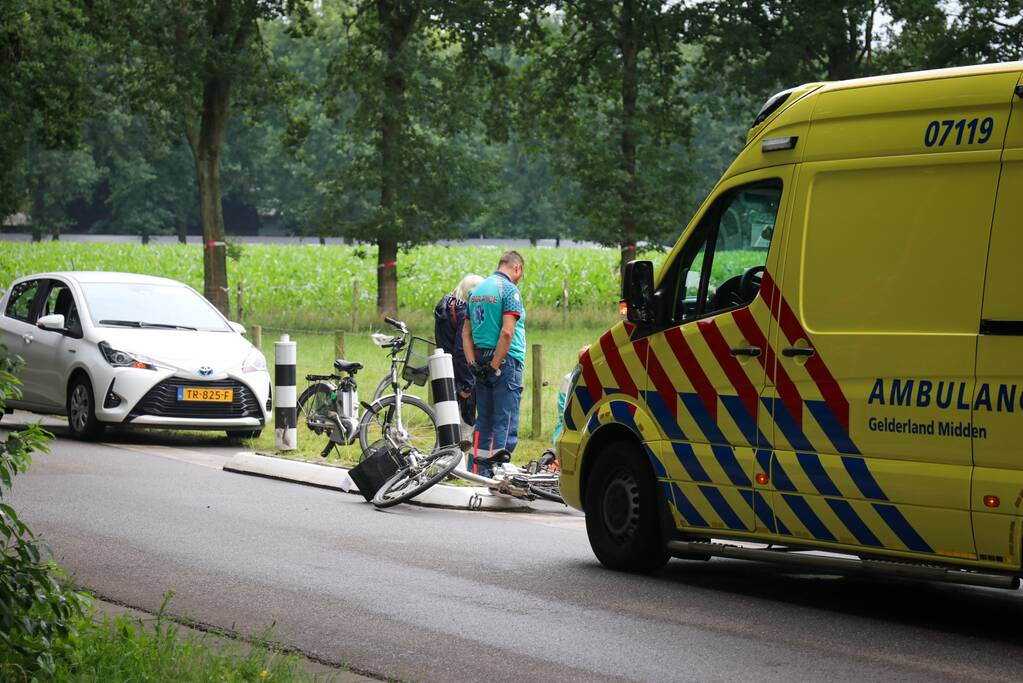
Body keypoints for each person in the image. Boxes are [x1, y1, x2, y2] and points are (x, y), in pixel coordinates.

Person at [463, 251, 526, 476]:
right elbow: (507, 332)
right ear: (516, 268)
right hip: (505, 362)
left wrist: (473, 364)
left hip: (480, 359)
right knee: (505, 419)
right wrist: (495, 364)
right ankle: (498, 471)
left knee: (485, 418)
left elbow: (466, 333)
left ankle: (476, 470)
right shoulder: (509, 290)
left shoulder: (477, 290)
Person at [433, 274, 483, 443]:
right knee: (463, 427)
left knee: (447, 421)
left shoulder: (445, 303)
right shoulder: (464, 310)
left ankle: (446, 455)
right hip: (460, 374)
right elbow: (462, 349)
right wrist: (467, 384)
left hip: (445, 368)